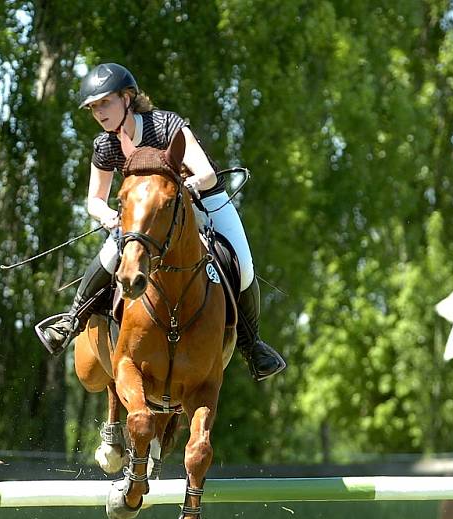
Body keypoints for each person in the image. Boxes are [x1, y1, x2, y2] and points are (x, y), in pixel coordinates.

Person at [35, 63, 285, 381]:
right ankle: (72, 320)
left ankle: (252, 346)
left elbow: (205, 172)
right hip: (146, 214)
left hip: (202, 200)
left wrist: (185, 190)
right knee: (112, 255)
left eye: (105, 102)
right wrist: (109, 216)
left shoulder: (166, 125)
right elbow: (94, 200)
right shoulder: (105, 145)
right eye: (93, 107)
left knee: (243, 265)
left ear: (127, 98)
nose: (99, 112)